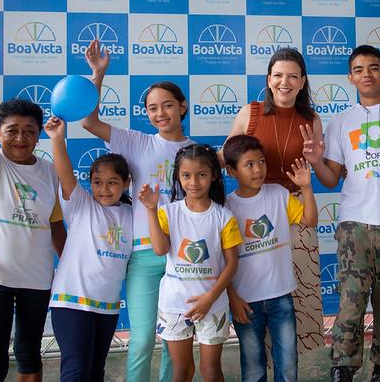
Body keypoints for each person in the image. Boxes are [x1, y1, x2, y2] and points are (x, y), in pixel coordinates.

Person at [302, 45, 380, 382]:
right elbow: (331, 177)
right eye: (359, 69)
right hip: (354, 225)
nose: (366, 74)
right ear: (350, 77)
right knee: (351, 304)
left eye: (373, 67)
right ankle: (343, 366)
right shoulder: (342, 121)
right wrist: (314, 161)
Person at [0, 20, 67, 382]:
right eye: (12, 130)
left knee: (29, 356)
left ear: (38, 136)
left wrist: (70, 265)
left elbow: (55, 227)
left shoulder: (49, 171)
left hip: (37, 278)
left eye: (29, 131)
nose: (21, 137)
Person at [82, 39, 193, 381]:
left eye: (167, 106)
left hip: (184, 255)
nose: (160, 114)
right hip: (144, 256)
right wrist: (98, 74)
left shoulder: (197, 151)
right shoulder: (136, 142)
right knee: (142, 340)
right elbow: (88, 121)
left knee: (176, 341)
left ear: (182, 107)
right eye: (152, 108)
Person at [225, 48, 325, 355]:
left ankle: (294, 362)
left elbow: (317, 165)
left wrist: (317, 161)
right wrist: (192, 169)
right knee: (256, 288)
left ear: (303, 81)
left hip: (294, 207)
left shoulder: (312, 119)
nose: (286, 82)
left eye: (293, 76)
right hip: (252, 211)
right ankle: (260, 360)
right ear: (269, 80)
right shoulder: (250, 113)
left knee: (302, 288)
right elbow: (225, 155)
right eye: (279, 75)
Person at [141, 144, 242, 382]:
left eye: (201, 175)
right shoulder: (167, 212)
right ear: (178, 176)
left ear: (214, 176)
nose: (193, 182)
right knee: (182, 371)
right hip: (175, 304)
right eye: (186, 175)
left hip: (213, 304)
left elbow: (232, 265)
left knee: (211, 371)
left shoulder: (224, 217)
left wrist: (210, 298)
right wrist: (151, 210)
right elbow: (160, 249)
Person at [43, 116, 133, 382]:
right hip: (71, 303)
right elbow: (65, 174)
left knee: (95, 372)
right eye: (97, 182)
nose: (104, 189)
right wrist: (57, 139)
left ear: (126, 183)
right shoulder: (81, 205)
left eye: (112, 182)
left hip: (106, 307)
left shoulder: (133, 214)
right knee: (76, 372)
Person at [223, 135, 319, 382]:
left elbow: (309, 220)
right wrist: (233, 298)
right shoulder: (226, 208)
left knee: (287, 364)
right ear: (231, 171)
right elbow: (224, 262)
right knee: (253, 368)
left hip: (281, 297)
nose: (258, 170)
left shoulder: (278, 194)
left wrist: (306, 188)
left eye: (262, 162)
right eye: (249, 164)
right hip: (246, 302)